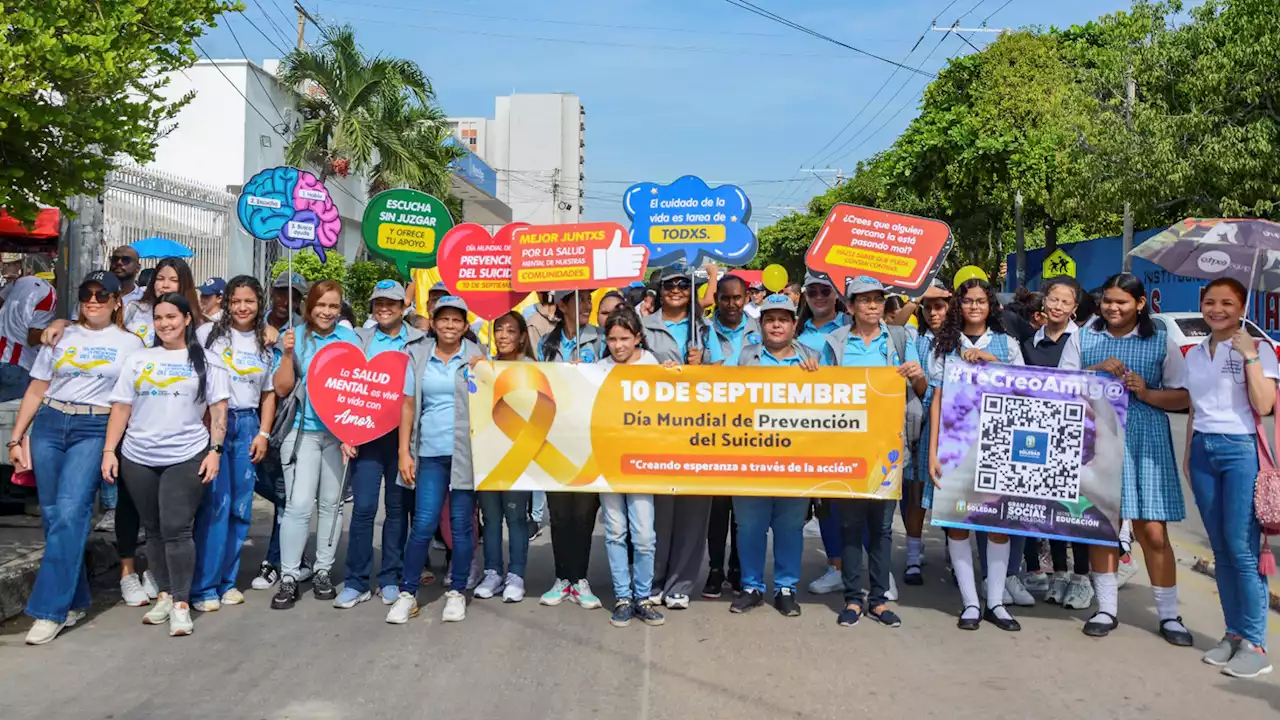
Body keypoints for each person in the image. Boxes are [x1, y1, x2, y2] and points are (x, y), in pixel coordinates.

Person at [43, 257, 203, 605]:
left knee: (166, 513)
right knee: (130, 504)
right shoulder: (132, 312)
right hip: (124, 417)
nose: (164, 284)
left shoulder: (194, 322)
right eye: (159, 278)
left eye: (172, 279)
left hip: (168, 423)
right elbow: (93, 322)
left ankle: (157, 574)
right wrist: (60, 320)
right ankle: (128, 571)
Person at [1059, 272, 1192, 645]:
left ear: (1140, 303)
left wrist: (1147, 393)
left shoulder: (1161, 342)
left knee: (1152, 529)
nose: (1113, 308)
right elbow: (1058, 386)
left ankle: (1169, 616)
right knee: (1103, 525)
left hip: (1146, 439)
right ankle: (1106, 609)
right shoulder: (1083, 337)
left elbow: (1183, 396)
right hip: (1098, 437)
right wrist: (1095, 371)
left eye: (1121, 302)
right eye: (1108, 301)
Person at [15, 271, 144, 644]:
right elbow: (38, 387)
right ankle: (75, 599)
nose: (93, 300)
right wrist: (16, 436)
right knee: (55, 516)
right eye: (87, 294)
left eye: (102, 295)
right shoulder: (61, 335)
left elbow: (128, 399)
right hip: (51, 423)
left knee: (72, 512)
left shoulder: (130, 344)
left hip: (94, 426)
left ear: (117, 301)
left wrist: (113, 447)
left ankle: (48, 609)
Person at [102, 293, 231, 636]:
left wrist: (215, 450)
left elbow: (218, 411)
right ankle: (163, 593)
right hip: (138, 456)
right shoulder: (139, 359)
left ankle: (181, 603)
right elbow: (121, 408)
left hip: (185, 454)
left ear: (188, 319)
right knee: (154, 529)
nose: (164, 324)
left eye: (172, 317)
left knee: (177, 528)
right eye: (158, 318)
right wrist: (109, 451)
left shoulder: (207, 360)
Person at [819, 277, 925, 628]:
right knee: (849, 526)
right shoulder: (834, 343)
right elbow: (822, 389)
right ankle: (852, 599)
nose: (873, 306)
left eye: (878, 300)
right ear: (850, 307)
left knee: (881, 528)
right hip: (848, 446)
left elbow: (920, 390)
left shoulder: (899, 339)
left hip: (888, 448)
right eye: (864, 301)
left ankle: (878, 600)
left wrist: (917, 374)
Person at [1183, 277, 1274, 678]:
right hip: (1204, 449)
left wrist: (1251, 356)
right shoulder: (1196, 353)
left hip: (1240, 452)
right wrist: (1189, 454)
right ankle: (1233, 634)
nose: (1217, 309)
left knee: (1242, 548)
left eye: (1227, 303)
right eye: (1210, 302)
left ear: (1242, 308)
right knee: (1220, 548)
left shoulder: (1261, 349)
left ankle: (1255, 643)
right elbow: (1192, 408)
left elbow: (1265, 405)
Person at [926, 277, 1026, 632]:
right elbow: (936, 399)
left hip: (997, 443)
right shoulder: (943, 345)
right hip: (955, 445)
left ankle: (995, 601)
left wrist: (991, 360)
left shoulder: (1007, 344)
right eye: (968, 301)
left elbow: (1023, 390)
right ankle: (970, 601)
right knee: (957, 524)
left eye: (981, 301)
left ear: (991, 305)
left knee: (997, 525)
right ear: (959, 306)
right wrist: (933, 450)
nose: (974, 307)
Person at [388, 296, 486, 624]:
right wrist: (404, 452)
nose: (449, 326)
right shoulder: (417, 355)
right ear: (433, 322)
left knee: (461, 526)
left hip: (464, 453)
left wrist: (485, 371)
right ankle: (407, 593)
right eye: (443, 319)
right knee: (424, 524)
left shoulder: (476, 356)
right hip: (428, 452)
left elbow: (493, 398)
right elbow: (408, 405)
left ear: (466, 325)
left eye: (456, 320)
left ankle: (457, 591)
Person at [331, 280, 421, 610]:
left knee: (397, 511)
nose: (385, 308)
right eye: (379, 303)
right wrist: (346, 431)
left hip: (403, 437)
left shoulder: (418, 341)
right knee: (365, 508)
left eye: (393, 303)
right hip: (366, 437)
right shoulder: (359, 339)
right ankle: (356, 581)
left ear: (403, 307)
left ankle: (390, 578)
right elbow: (344, 385)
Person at [189, 277, 277, 613]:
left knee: (240, 508)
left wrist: (263, 433)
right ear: (227, 302)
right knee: (215, 505)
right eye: (236, 301)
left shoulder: (264, 343)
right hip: (213, 424)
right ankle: (204, 586)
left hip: (248, 426)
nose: (242, 307)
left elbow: (268, 393)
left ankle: (227, 582)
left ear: (259, 303)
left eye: (250, 301)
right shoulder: (207, 335)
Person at [730, 294, 822, 617]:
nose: (777, 325)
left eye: (784, 319)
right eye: (770, 320)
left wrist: (818, 378)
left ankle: (786, 588)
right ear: (762, 324)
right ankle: (751, 587)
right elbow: (721, 393)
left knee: (790, 525)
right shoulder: (746, 357)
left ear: (794, 324)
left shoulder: (813, 358)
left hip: (796, 456)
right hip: (752, 455)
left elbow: (831, 403)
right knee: (749, 526)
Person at [269, 280, 358, 609]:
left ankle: (323, 570)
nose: (327, 312)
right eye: (321, 305)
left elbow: (354, 389)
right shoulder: (293, 336)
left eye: (334, 306)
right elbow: (281, 388)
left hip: (336, 435)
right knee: (298, 504)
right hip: (301, 431)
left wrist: (352, 433)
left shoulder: (349, 339)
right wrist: (288, 354)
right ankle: (289, 575)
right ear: (309, 306)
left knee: (332, 505)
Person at [1019, 277, 1092, 609]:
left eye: (1066, 302)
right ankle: (1059, 573)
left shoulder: (1083, 340)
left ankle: (1082, 578)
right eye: (1053, 299)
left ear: (1075, 308)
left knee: (1076, 508)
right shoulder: (1028, 341)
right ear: (1043, 302)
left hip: (1075, 435)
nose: (1058, 306)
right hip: (1038, 435)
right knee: (1051, 508)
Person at [642, 264, 711, 609]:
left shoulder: (705, 329)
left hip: (699, 431)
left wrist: (703, 364)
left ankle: (682, 583)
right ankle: (653, 579)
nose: (677, 289)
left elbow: (726, 376)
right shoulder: (643, 327)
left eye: (684, 284)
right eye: (670, 284)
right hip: (657, 430)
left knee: (693, 510)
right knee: (658, 512)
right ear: (659, 288)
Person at [596, 306, 667, 627]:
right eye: (612, 339)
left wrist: (674, 375)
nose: (618, 345)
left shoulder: (652, 365)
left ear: (638, 337)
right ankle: (623, 597)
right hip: (608, 460)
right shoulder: (597, 369)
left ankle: (643, 596)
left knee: (643, 534)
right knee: (614, 530)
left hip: (641, 461)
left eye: (625, 338)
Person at [536, 288, 603, 609]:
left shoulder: (601, 340)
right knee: (559, 515)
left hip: (590, 439)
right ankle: (562, 577)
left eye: (590, 300)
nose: (588, 306)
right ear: (562, 305)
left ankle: (580, 578)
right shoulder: (546, 343)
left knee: (584, 513)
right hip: (554, 440)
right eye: (581, 301)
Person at [699, 274, 760, 597]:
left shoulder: (759, 330)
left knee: (744, 506)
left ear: (747, 296)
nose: (732, 304)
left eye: (738, 298)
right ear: (717, 299)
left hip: (750, 430)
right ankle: (714, 568)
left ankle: (738, 566)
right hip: (712, 428)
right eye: (725, 298)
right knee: (717, 505)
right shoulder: (703, 331)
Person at [471, 311, 534, 603]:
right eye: (499, 330)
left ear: (522, 336)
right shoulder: (486, 366)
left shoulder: (534, 368)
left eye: (511, 331)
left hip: (518, 455)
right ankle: (493, 571)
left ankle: (516, 574)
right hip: (488, 452)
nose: (504, 336)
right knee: (491, 516)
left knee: (515, 516)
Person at [795, 271, 850, 594]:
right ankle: (835, 565)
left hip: (847, 423)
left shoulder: (849, 327)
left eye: (824, 290)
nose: (818, 296)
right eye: (812, 290)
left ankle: (867, 568)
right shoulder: (796, 330)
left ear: (835, 294)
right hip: (808, 426)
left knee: (857, 500)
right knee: (826, 500)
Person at [903, 280, 950, 587]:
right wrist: (913, 297)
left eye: (940, 306)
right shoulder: (913, 334)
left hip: (956, 422)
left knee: (953, 490)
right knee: (916, 489)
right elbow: (891, 321)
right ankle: (912, 555)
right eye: (928, 306)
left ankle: (953, 550)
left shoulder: (961, 339)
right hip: (921, 421)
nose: (933, 313)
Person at [0, 273, 57, 401]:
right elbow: (32, 338)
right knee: (8, 416)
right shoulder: (49, 294)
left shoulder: (21, 282)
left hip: (3, 356)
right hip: (18, 364)